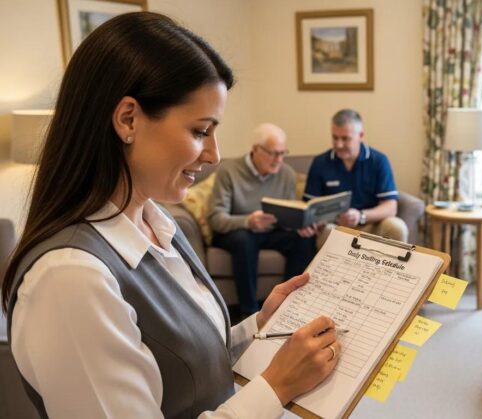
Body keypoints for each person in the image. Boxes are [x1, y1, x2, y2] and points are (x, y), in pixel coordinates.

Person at [1, 12, 340, 418]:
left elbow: (184, 366)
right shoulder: (71, 278)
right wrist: (279, 384)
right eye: (200, 131)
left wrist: (260, 326)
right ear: (128, 119)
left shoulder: (161, 225)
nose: (214, 154)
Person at [208, 123, 316, 315]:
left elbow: (289, 213)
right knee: (245, 239)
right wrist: (248, 221)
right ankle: (249, 313)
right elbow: (216, 218)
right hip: (237, 232)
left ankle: (287, 308)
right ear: (255, 150)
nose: (279, 160)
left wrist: (298, 225)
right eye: (274, 153)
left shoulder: (287, 174)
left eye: (283, 153)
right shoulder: (229, 171)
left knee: (304, 238)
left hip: (274, 231)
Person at [304, 109, 408, 245]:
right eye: (335, 138)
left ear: (361, 135)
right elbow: (309, 206)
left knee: (397, 227)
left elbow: (390, 207)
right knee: (329, 232)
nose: (339, 144)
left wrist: (361, 216)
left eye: (345, 138)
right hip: (336, 227)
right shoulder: (320, 163)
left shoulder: (379, 161)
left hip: (372, 225)